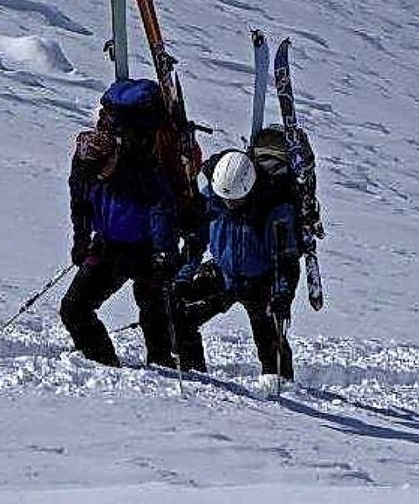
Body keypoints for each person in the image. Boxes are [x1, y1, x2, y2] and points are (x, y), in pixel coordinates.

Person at [60, 125, 189, 369]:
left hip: (147, 252)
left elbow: (162, 211)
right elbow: (80, 205)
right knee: (73, 308)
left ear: (114, 156)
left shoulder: (143, 171)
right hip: (107, 246)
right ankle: (103, 364)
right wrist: (81, 240)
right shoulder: (84, 167)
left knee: (155, 316)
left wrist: (165, 254)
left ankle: (164, 372)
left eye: (101, 170)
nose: (98, 176)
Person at [174, 149, 302, 384]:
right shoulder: (211, 200)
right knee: (180, 316)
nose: (230, 204)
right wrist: (183, 278)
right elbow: (194, 244)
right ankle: (195, 376)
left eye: (236, 199)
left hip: (261, 281)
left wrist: (283, 294)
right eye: (226, 198)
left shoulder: (273, 209)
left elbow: (286, 260)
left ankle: (282, 390)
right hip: (223, 274)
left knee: (270, 342)